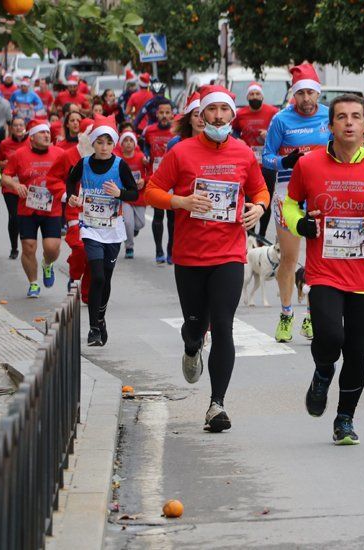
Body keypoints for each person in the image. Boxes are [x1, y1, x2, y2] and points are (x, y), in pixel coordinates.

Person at [284, 94, 364, 444]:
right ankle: (323, 371)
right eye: (342, 117)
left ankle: (344, 418)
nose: (350, 123)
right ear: (331, 125)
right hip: (324, 271)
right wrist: (302, 225)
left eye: (356, 117)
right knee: (329, 337)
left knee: (357, 351)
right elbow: (291, 207)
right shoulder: (309, 165)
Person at [145, 85, 269, 432]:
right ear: (200, 116)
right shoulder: (181, 153)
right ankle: (191, 345)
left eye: (223, 110)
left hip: (229, 253)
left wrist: (258, 207)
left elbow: (260, 189)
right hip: (189, 256)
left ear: (232, 115)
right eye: (210, 110)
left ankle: (217, 405)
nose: (217, 116)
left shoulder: (243, 153)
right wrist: (181, 202)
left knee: (225, 325)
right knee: (195, 326)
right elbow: (152, 191)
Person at [263, 63, 332, 342]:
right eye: (300, 93)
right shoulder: (281, 120)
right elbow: (265, 158)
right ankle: (286, 313)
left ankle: (311, 316)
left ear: (318, 94)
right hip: (288, 192)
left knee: (321, 258)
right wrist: (285, 160)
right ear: (294, 94)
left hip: (321, 191)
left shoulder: (330, 116)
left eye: (310, 93)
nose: (305, 99)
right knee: (289, 259)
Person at [65, 115, 140, 345]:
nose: (104, 147)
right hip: (90, 227)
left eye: (108, 142)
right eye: (100, 142)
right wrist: (72, 197)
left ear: (113, 144)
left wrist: (119, 194)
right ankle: (93, 329)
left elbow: (134, 193)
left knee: (106, 279)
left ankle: (101, 317)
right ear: (94, 143)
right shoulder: (85, 163)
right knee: (96, 275)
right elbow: (70, 181)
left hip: (112, 229)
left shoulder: (120, 165)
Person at [1, 119, 65, 298]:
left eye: (47, 132)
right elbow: (5, 176)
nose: (46, 135)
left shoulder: (59, 153)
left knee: (52, 247)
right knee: (29, 247)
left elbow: (72, 172)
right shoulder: (19, 155)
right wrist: (15, 186)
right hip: (27, 209)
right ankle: (33, 283)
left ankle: (47, 263)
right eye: (42, 133)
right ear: (32, 137)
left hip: (52, 208)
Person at [49, 117, 95, 304]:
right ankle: (75, 276)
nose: (96, 143)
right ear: (83, 137)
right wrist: (67, 195)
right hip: (75, 211)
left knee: (94, 254)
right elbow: (53, 178)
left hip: (96, 213)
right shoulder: (68, 156)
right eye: (93, 137)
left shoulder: (107, 158)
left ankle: (86, 291)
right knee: (80, 248)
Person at [232, 82, 280, 237]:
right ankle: (250, 235)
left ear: (262, 96)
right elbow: (233, 132)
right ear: (247, 97)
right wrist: (238, 140)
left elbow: (280, 132)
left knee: (265, 199)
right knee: (248, 200)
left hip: (267, 163)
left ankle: (262, 235)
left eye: (257, 94)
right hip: (248, 162)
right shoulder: (240, 114)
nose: (254, 97)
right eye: (251, 94)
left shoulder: (272, 112)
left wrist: (269, 135)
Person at [142, 97, 176, 263]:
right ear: (156, 114)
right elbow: (144, 146)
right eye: (161, 112)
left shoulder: (177, 131)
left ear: (172, 114)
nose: (164, 115)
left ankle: (170, 249)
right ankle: (158, 250)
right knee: (157, 215)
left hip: (173, 178)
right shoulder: (149, 131)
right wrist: (145, 154)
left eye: (167, 112)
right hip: (156, 177)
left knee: (172, 216)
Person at [0, 117, 28, 259]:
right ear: (11, 128)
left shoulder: (31, 142)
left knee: (24, 218)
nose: (18, 128)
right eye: (15, 125)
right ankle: (14, 247)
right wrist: (3, 164)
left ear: (25, 127)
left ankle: (27, 245)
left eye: (21, 125)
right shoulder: (5, 144)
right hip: (10, 186)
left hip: (26, 187)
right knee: (14, 216)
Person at [115, 127, 147, 259]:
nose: (128, 143)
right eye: (125, 141)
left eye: (131, 140)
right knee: (128, 222)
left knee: (140, 224)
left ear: (135, 144)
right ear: (121, 145)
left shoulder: (141, 158)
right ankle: (129, 247)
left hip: (139, 195)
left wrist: (144, 180)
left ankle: (133, 230)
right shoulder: (118, 160)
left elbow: (149, 173)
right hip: (126, 196)